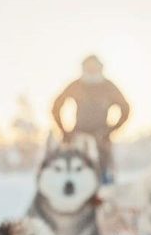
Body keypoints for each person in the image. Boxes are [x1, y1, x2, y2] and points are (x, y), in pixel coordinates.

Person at [51, 55, 131, 184]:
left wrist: (110, 130)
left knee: (105, 178)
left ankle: (104, 198)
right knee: (75, 174)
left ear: (100, 68)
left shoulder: (108, 86)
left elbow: (125, 109)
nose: (92, 70)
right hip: (78, 138)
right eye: (88, 67)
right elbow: (56, 106)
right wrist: (64, 131)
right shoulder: (77, 85)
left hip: (101, 139)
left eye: (94, 67)